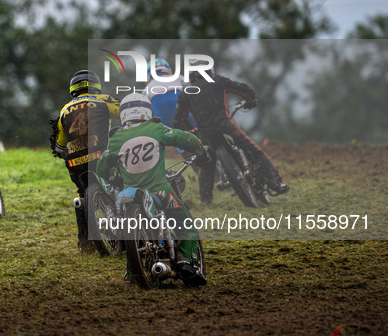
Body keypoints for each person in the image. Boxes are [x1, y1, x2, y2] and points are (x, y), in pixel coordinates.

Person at [97, 93, 210, 286]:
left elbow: (102, 167)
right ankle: (185, 261)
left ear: (123, 114)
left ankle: (131, 269)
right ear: (147, 111)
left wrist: (113, 176)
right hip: (160, 191)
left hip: (128, 195)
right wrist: (201, 151)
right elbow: (184, 138)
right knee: (186, 224)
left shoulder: (115, 138)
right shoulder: (156, 128)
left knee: (126, 227)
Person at [173, 60, 289, 205]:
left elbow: (179, 122)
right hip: (226, 127)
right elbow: (244, 89)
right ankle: (276, 183)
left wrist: (191, 131)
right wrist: (251, 101)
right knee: (255, 150)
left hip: (205, 133)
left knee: (206, 163)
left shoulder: (186, 94)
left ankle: (205, 200)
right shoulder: (219, 81)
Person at [50, 70, 121, 253]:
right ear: (95, 86)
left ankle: (85, 243)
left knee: (82, 196)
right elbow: (127, 115)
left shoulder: (65, 110)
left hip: (75, 163)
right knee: (123, 182)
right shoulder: (104, 100)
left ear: (73, 89)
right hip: (101, 157)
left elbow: (59, 146)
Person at [144, 57, 197, 129]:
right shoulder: (176, 77)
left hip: (163, 124)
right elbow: (193, 86)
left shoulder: (148, 87)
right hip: (184, 117)